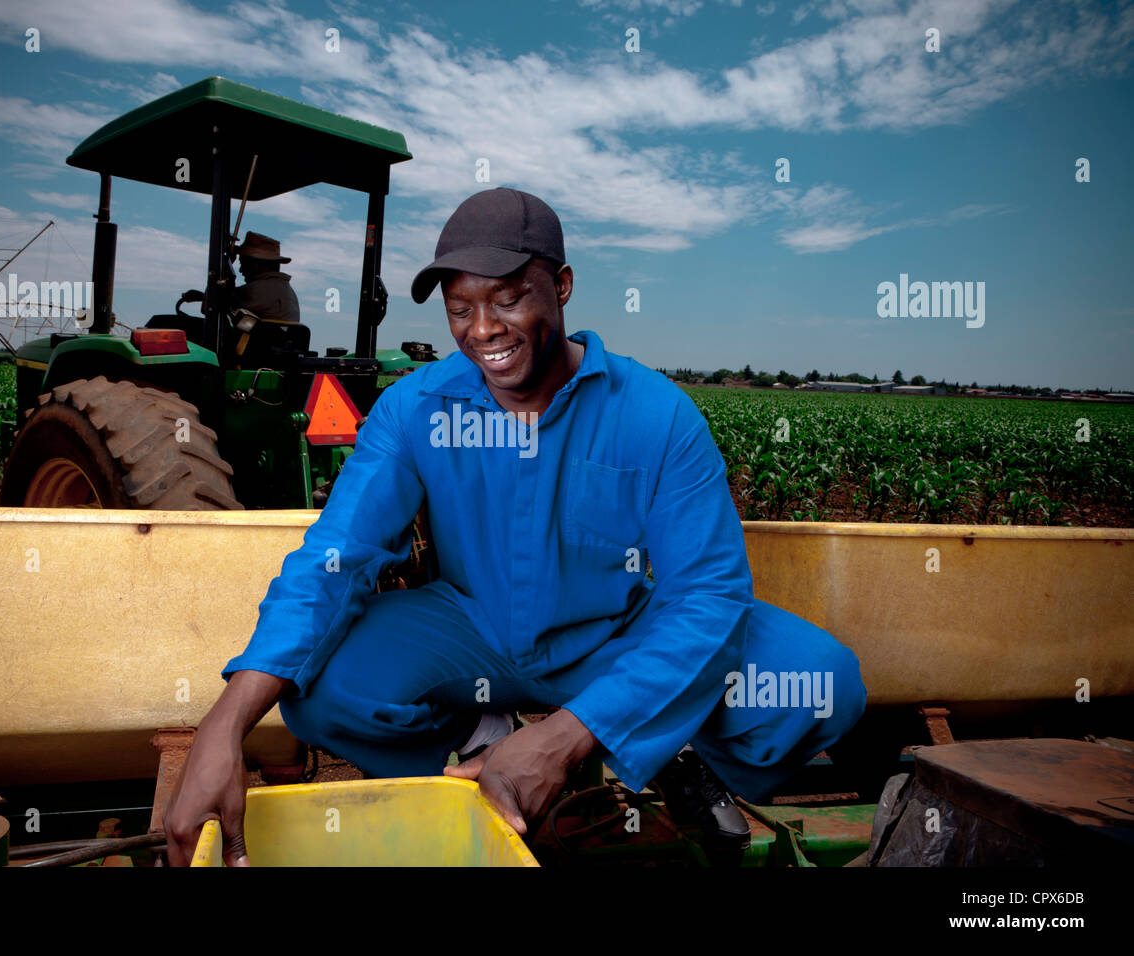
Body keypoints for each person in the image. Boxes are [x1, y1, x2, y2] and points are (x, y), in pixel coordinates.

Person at [164, 187, 867, 866]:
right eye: (460, 307)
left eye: (506, 299)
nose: (482, 330)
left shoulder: (657, 415)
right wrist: (224, 726)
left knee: (819, 682)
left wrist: (566, 738)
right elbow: (335, 558)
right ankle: (483, 741)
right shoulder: (417, 409)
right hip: (473, 630)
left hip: (614, 638)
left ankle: (657, 747)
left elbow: (709, 596)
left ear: (560, 286)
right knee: (318, 691)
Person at [233, 232, 300, 324]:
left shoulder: (258, 289)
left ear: (255, 265)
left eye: (242, 264)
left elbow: (215, 301)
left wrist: (225, 264)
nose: (240, 270)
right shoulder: (285, 290)